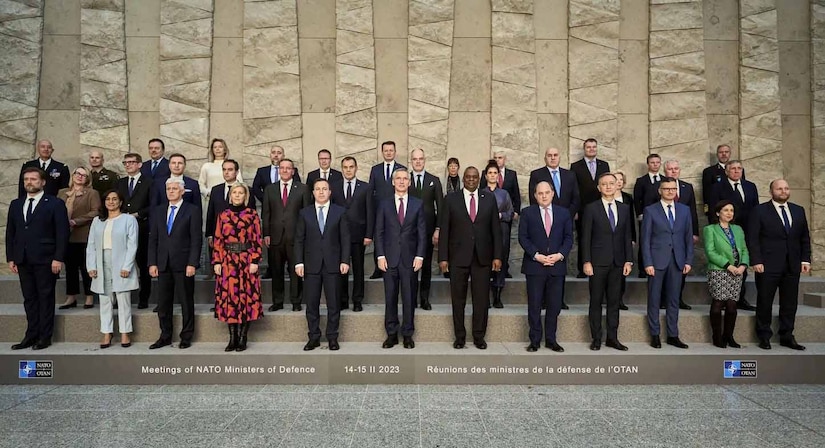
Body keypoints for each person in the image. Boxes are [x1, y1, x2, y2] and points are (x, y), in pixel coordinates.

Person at [438, 167, 502, 350]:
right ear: (463, 178)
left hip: (483, 258)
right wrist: (443, 258)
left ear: (479, 179)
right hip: (458, 257)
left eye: (474, 177)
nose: (471, 180)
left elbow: (496, 231)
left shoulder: (489, 199)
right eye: (468, 177)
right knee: (458, 300)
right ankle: (459, 337)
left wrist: (497, 256)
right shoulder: (451, 199)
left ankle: (479, 336)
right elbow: (445, 231)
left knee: (481, 300)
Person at [7, 167, 69, 350]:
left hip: (46, 259)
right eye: (26, 179)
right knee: (29, 299)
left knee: (45, 298)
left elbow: (62, 233)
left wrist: (58, 258)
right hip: (23, 259)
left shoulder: (55, 203)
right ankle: (31, 335)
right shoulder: (16, 204)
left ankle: (44, 336)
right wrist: (11, 257)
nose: (29, 182)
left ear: (42, 182)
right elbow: (11, 233)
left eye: (33, 179)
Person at [749, 179, 812, 351]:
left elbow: (804, 238)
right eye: (779, 189)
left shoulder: (798, 211)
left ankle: (786, 335)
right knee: (764, 301)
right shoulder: (759, 211)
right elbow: (753, 238)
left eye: (786, 188)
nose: (783, 191)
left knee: (790, 303)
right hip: (767, 265)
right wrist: (756, 260)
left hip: (792, 264)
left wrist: (805, 260)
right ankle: (764, 336)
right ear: (771, 191)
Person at [294, 178, 350, 351]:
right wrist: (298, 263)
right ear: (313, 192)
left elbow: (345, 239)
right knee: (311, 304)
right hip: (311, 265)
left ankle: (332, 337)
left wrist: (344, 260)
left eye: (324, 189)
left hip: (333, 264)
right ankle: (314, 337)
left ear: (330, 192)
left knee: (334, 303)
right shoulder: (305, 213)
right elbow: (299, 240)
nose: (320, 192)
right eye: (317, 189)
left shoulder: (339, 212)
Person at [518, 182, 573, 352]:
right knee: (534, 305)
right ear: (535, 195)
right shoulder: (527, 213)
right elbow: (523, 238)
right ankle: (535, 340)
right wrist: (537, 256)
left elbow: (568, 238)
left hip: (556, 266)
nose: (544, 196)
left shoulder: (563, 213)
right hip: (535, 266)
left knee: (554, 305)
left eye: (547, 192)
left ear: (553, 193)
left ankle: (551, 339)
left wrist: (559, 255)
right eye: (540, 193)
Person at [148, 178, 202, 349]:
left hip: (184, 263)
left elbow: (196, 239)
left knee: (186, 301)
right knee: (163, 303)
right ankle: (165, 336)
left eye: (174, 189)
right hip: (163, 264)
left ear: (182, 191)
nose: (171, 191)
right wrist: (152, 263)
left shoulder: (192, 210)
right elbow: (153, 239)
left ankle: (186, 336)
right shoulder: (158, 211)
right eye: (168, 189)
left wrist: (192, 263)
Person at [375, 168, 426, 349]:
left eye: (405, 179)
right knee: (390, 298)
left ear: (410, 182)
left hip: (409, 259)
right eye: (398, 178)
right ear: (393, 182)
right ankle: (391, 334)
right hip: (389, 259)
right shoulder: (384, 204)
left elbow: (422, 233)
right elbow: (379, 232)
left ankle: (407, 334)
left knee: (409, 297)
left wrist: (420, 255)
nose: (402, 181)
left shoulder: (418, 204)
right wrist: (380, 255)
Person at [581, 174, 633, 351]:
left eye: (612, 183)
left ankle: (612, 337)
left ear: (618, 185)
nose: (608, 186)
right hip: (597, 262)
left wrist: (629, 260)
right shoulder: (591, 208)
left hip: (618, 262)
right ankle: (596, 338)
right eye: (604, 184)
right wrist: (586, 261)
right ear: (599, 188)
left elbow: (627, 236)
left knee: (614, 302)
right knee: (595, 301)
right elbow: (585, 238)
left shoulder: (624, 208)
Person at [641, 177, 693, 349]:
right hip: (656, 261)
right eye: (666, 189)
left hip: (677, 260)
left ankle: (673, 334)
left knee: (673, 300)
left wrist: (688, 260)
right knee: (654, 299)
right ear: (660, 191)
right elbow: (645, 239)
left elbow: (688, 237)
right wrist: (647, 262)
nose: (670, 191)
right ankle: (655, 334)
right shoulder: (650, 211)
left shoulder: (684, 210)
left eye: (673, 189)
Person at [212, 184, 263, 352]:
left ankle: (243, 336)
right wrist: (217, 261)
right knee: (230, 299)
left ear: (245, 196)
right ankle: (232, 337)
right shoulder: (223, 215)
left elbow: (257, 239)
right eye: (235, 192)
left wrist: (255, 260)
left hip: (246, 260)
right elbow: (218, 239)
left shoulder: (252, 215)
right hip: (228, 261)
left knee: (246, 298)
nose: (237, 195)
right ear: (230, 195)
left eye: (241, 193)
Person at [86, 190, 139, 349]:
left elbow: (132, 244)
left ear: (120, 202)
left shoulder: (128, 220)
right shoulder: (97, 221)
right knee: (105, 299)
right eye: (108, 199)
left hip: (121, 262)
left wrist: (127, 266)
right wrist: (91, 265)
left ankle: (125, 332)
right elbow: (91, 245)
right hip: (102, 263)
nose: (111, 202)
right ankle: (107, 332)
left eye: (115, 199)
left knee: (123, 299)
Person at [529, 147, 580, 309]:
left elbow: (576, 198)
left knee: (559, 262)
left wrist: (565, 216)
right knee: (542, 263)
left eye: (555, 155)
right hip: (542, 224)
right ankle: (543, 299)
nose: (552, 158)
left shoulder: (570, 175)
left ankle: (559, 300)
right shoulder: (536, 174)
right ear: (545, 158)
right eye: (549, 155)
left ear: (560, 157)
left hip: (562, 223)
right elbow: (533, 197)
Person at [707, 160, 758, 311]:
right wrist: (717, 229)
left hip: (746, 231)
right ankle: (723, 299)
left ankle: (739, 298)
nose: (736, 171)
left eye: (739, 168)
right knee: (727, 263)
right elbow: (712, 209)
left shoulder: (750, 186)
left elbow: (756, 210)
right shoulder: (717, 187)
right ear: (726, 171)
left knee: (742, 263)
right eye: (733, 169)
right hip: (724, 231)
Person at [262, 158, 310, 312]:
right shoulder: (270, 189)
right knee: (276, 270)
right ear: (278, 170)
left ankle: (296, 301)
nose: (284, 170)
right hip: (275, 237)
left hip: (295, 237)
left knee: (295, 271)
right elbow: (266, 213)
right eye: (282, 168)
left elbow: (306, 214)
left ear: (293, 171)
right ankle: (278, 301)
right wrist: (266, 234)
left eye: (288, 168)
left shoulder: (302, 188)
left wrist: (304, 236)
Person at [205, 160, 256, 293]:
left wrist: (255, 259)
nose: (227, 172)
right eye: (224, 169)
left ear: (237, 172)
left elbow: (255, 234)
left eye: (230, 169)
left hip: (245, 252)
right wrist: (210, 234)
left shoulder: (248, 196)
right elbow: (211, 213)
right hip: (225, 250)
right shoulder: (216, 190)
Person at [703, 200, 748, 349]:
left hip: (737, 271)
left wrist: (743, 266)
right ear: (718, 213)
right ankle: (716, 336)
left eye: (731, 210)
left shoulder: (738, 229)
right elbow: (710, 252)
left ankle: (728, 336)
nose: (729, 213)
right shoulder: (710, 229)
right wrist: (728, 266)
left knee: (732, 305)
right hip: (719, 270)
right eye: (726, 210)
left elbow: (744, 250)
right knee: (718, 302)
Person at [251, 145, 301, 280]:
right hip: (272, 217)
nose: (276, 155)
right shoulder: (262, 171)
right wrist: (269, 200)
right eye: (274, 152)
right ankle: (271, 270)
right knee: (273, 254)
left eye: (279, 153)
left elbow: (298, 195)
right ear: (270, 155)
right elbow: (256, 188)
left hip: (291, 222)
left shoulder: (293, 175)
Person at [331, 157, 373, 311]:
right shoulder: (334, 187)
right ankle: (342, 299)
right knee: (341, 267)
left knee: (358, 268)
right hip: (339, 235)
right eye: (345, 167)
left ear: (356, 168)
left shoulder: (366, 187)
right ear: (342, 169)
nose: (348, 170)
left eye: (351, 167)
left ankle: (357, 300)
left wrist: (369, 234)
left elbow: (370, 212)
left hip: (358, 234)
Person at [57, 167, 101, 309]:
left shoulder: (92, 193)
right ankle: (71, 297)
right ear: (73, 175)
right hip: (65, 236)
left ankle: (89, 296)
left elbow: (96, 212)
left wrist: (77, 221)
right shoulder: (62, 193)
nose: (80, 176)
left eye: (84, 175)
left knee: (85, 267)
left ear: (88, 179)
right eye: (78, 173)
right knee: (70, 268)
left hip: (83, 235)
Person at [408, 148, 444, 310]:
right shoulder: (404, 179)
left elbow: (441, 207)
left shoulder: (433, 180)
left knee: (427, 265)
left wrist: (438, 228)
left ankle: (424, 298)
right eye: (415, 159)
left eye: (420, 158)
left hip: (428, 231)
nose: (418, 161)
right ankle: (411, 298)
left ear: (424, 160)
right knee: (410, 266)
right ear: (411, 161)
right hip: (409, 231)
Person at [117, 153, 153, 309]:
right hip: (122, 227)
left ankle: (143, 298)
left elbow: (153, 205)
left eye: (132, 162)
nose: (128, 165)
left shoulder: (149, 182)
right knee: (120, 261)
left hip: (142, 226)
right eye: (126, 163)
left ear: (139, 164)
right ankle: (120, 297)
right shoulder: (120, 183)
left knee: (143, 263)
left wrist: (138, 214)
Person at [570, 138, 610, 278]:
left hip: (601, 207)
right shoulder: (576, 166)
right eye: (588, 147)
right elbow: (574, 190)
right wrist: (575, 210)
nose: (591, 149)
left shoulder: (604, 165)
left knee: (600, 237)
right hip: (583, 209)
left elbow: (607, 185)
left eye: (594, 147)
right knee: (583, 237)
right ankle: (582, 269)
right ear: (584, 149)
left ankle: (599, 267)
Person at [663, 159, 699, 310]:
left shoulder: (687, 187)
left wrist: (695, 232)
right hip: (665, 234)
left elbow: (692, 211)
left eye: (676, 168)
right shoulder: (659, 187)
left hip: (682, 235)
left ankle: (678, 298)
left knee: (681, 267)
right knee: (665, 268)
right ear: (665, 171)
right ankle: (664, 299)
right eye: (670, 169)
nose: (673, 171)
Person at [368, 141, 406, 278]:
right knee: (379, 237)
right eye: (386, 150)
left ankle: (397, 265)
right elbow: (371, 191)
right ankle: (378, 268)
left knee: (395, 238)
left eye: (391, 150)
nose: (389, 152)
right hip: (379, 210)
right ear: (382, 152)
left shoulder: (402, 169)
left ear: (395, 152)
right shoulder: (375, 169)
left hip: (397, 211)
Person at [483, 163, 513, 308]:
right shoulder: (481, 193)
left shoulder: (504, 194)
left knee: (500, 261)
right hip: (485, 232)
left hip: (501, 231)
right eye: (490, 172)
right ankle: (486, 296)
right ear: (486, 175)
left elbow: (510, 213)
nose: (493, 175)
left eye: (495, 172)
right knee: (486, 262)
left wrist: (499, 215)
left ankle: (497, 296)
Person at [633, 154, 662, 279]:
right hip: (646, 216)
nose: (655, 164)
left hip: (662, 217)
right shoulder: (641, 181)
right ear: (648, 164)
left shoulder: (665, 180)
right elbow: (637, 199)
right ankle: (642, 269)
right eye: (652, 162)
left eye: (657, 162)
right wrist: (640, 214)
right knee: (645, 241)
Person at [702, 144, 745, 221]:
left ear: (730, 153)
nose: (724, 154)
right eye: (721, 152)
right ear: (717, 154)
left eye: (726, 152)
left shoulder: (739, 170)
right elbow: (707, 194)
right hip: (722, 214)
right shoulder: (709, 171)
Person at [612, 170, 634, 310]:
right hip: (608, 240)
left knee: (621, 273)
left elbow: (631, 220)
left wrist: (632, 238)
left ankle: (619, 299)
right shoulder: (603, 198)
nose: (619, 182)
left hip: (622, 240)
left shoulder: (627, 198)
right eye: (616, 179)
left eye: (621, 179)